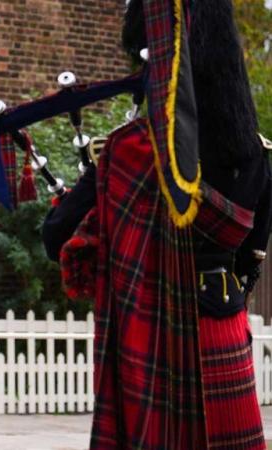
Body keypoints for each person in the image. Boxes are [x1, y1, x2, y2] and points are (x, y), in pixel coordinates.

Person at [42, 1, 272, 448]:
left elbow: (57, 238)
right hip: (225, 327)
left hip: (156, 337)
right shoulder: (258, 156)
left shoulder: (132, 150)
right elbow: (250, 258)